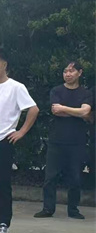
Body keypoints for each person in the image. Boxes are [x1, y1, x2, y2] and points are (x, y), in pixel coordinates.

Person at [0, 47, 39, 233]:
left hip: (4, 140)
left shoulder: (16, 87)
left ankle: (3, 224)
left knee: (3, 184)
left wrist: (21, 131)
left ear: (4, 65)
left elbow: (33, 109)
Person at [34, 61, 93, 220]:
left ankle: (73, 209)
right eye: (65, 71)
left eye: (71, 71)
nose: (68, 74)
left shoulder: (86, 93)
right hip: (56, 140)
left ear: (79, 72)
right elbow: (56, 111)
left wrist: (66, 109)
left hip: (77, 141)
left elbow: (86, 112)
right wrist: (78, 112)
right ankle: (48, 208)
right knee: (50, 177)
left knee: (75, 177)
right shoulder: (56, 90)